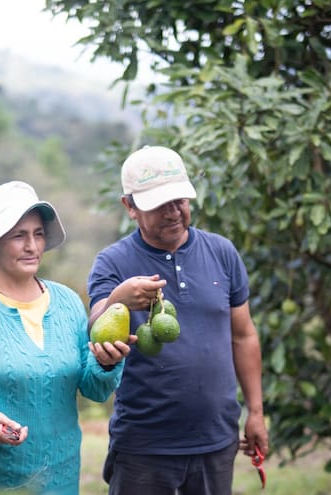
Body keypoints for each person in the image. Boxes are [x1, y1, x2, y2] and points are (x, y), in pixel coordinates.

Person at [0, 180, 133, 495]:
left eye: (38, 234)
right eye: (19, 236)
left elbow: (93, 389)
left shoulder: (68, 302)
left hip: (58, 480)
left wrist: (106, 362)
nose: (32, 246)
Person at [86, 145, 269, 494]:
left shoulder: (222, 252)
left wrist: (256, 412)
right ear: (130, 207)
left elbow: (243, 336)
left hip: (216, 440)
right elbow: (97, 323)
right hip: (144, 446)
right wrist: (118, 300)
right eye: (159, 204)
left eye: (180, 201)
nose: (173, 213)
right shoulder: (112, 263)